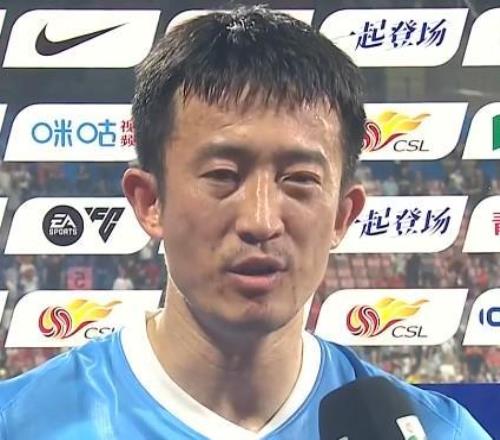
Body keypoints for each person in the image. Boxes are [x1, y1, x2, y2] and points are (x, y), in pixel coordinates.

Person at [0, 6, 491, 439]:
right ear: (150, 202)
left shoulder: (436, 433)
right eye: (223, 175)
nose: (261, 220)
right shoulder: (19, 424)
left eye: (299, 180)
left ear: (343, 215)